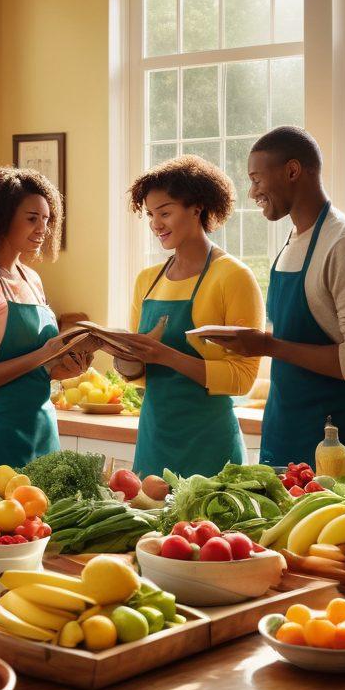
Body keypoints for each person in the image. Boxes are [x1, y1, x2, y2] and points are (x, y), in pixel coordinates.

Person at [217, 126, 345, 480]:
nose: (252, 192)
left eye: (256, 179)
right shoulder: (294, 240)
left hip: (337, 445)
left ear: (292, 171)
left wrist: (267, 345)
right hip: (285, 431)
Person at [116, 155, 264, 478]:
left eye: (165, 212)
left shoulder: (233, 277)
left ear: (197, 208)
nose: (156, 224)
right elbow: (141, 376)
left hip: (210, 447)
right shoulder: (146, 280)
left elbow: (243, 378)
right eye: (151, 215)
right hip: (154, 442)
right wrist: (122, 357)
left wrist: (166, 356)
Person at [0, 167, 94, 475]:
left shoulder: (31, 278)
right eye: (32, 218)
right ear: (0, 217)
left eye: (47, 220)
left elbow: (35, 369)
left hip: (40, 429)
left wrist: (64, 367)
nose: (43, 229)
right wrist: (43, 355)